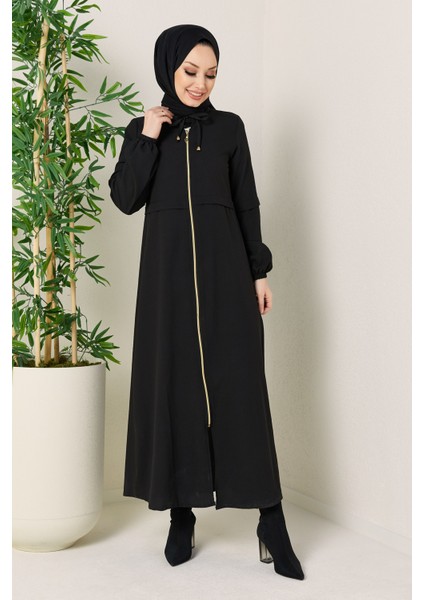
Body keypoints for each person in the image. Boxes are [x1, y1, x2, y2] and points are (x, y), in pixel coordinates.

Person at [109, 24, 304, 580]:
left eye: (211, 74)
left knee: (242, 391)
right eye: (191, 71)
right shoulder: (142, 130)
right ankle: (181, 515)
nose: (200, 83)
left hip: (228, 276)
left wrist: (258, 271)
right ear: (169, 68)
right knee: (175, 390)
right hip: (167, 284)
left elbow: (247, 201)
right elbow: (124, 198)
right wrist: (148, 136)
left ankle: (272, 520)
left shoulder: (229, 128)